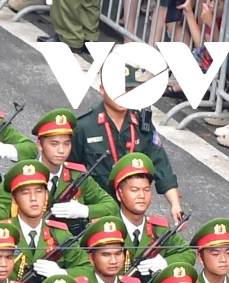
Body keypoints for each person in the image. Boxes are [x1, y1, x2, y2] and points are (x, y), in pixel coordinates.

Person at [72, 66, 182, 222]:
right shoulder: (84, 126)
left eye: (129, 90)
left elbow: (161, 164)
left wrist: (175, 204)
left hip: (132, 214)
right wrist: (83, 212)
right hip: (96, 214)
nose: (124, 96)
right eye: (117, 90)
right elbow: (70, 173)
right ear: (102, 89)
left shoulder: (142, 124)